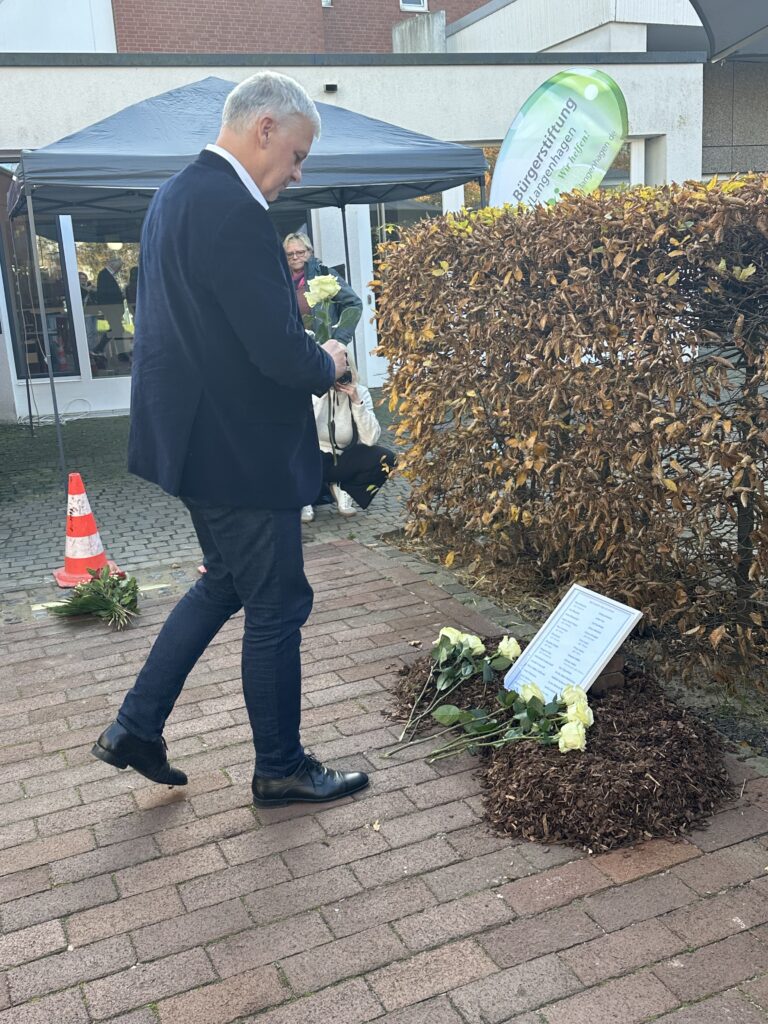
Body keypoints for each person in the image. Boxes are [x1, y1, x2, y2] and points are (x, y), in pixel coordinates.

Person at [90, 71, 368, 808]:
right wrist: (328, 361)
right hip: (238, 452)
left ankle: (135, 728)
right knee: (277, 604)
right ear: (265, 127)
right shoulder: (233, 209)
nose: (299, 172)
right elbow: (275, 351)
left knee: (224, 585)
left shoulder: (176, 195)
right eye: (300, 153)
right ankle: (280, 767)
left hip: (192, 444)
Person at [302, 363, 395, 522]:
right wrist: (321, 394)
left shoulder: (360, 392)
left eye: (344, 373)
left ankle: (343, 487)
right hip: (312, 458)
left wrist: (356, 401)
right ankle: (305, 498)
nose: (339, 379)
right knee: (295, 454)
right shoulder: (312, 392)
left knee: (386, 458)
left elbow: (370, 438)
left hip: (343, 456)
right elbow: (304, 430)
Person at [284, 232, 362, 346]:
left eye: (300, 252)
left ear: (309, 252)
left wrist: (339, 341)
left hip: (324, 348)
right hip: (295, 349)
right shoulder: (282, 282)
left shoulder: (324, 275)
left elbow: (354, 304)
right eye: (289, 254)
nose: (295, 257)